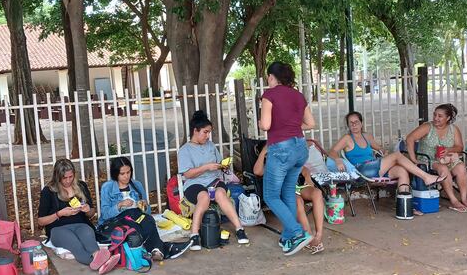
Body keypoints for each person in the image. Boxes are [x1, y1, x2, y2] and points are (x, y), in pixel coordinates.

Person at [259, 61, 316, 256]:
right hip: (300, 148)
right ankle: (288, 237)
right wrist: (292, 125)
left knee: (271, 195)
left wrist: (261, 122)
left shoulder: (269, 94)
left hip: (281, 149)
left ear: (271, 77)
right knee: (288, 193)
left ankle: (298, 232)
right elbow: (311, 123)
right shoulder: (298, 95)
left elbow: (266, 125)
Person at [178, 110, 249, 251]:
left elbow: (217, 163)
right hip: (195, 183)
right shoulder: (185, 150)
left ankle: (240, 229)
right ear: (195, 131)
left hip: (214, 180)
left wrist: (222, 166)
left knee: (220, 194)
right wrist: (206, 167)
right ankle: (194, 235)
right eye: (205, 132)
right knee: (203, 197)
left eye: (209, 132)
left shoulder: (210, 145)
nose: (207, 135)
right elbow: (188, 174)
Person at [99, 157, 191, 261]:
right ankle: (164, 248)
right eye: (122, 174)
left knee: (148, 220)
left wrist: (144, 205)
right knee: (135, 227)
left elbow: (147, 212)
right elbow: (105, 214)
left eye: (128, 172)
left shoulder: (136, 185)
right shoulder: (107, 187)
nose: (126, 176)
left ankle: (157, 251)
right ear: (115, 174)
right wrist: (119, 205)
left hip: (136, 214)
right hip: (118, 220)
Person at [326, 111, 446, 191]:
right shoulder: (347, 138)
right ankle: (426, 177)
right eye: (350, 123)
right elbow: (332, 151)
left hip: (375, 166)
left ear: (361, 123)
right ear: (348, 125)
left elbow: (379, 148)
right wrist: (337, 159)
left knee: (401, 171)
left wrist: (384, 151)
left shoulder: (367, 136)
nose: (354, 125)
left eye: (356, 122)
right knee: (397, 156)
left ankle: (404, 205)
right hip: (362, 170)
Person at [38, 159, 117, 274]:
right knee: (76, 245)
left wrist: (87, 210)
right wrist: (59, 213)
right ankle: (102, 263)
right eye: (64, 178)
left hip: (81, 224)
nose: (68, 180)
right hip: (58, 228)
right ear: (57, 177)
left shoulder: (81, 186)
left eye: (71, 176)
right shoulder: (49, 191)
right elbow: (41, 221)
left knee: (89, 237)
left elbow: (91, 213)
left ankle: (97, 257)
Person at [253, 141, 325, 254]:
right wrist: (263, 152)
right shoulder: (269, 165)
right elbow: (257, 171)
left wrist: (308, 178)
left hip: (298, 186)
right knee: (297, 200)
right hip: (285, 191)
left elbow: (304, 169)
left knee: (317, 193)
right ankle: (308, 236)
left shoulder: (285, 157)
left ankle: (319, 234)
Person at [406, 104, 467, 213]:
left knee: (461, 168)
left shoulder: (453, 129)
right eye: (435, 115)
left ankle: (464, 198)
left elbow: (460, 147)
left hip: (448, 159)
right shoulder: (427, 127)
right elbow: (410, 138)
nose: (436, 118)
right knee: (444, 169)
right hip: (429, 160)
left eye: (440, 116)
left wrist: (449, 150)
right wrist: (413, 159)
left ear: (448, 118)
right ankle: (454, 200)